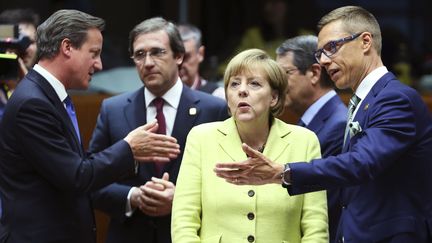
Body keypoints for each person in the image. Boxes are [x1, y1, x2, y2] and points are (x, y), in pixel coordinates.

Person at [215, 6, 432, 243]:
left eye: (332, 48)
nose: (325, 61)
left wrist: (284, 172)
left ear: (365, 42)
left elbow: (361, 163)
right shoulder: (364, 100)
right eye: (320, 54)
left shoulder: (395, 98)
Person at [0, 10, 181, 243]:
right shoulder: (33, 102)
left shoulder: (46, 95)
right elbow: (77, 176)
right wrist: (129, 148)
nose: (99, 64)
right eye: (94, 53)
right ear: (67, 47)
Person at [88, 17, 229, 243]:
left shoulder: (214, 110)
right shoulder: (112, 110)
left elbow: (229, 183)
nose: (148, 62)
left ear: (179, 56)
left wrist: (181, 199)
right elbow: (90, 179)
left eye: (157, 52)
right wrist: (133, 196)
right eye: (140, 54)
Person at [172, 49, 328, 243]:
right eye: (234, 84)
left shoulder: (304, 141)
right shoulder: (201, 138)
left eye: (254, 83)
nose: (242, 90)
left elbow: (315, 226)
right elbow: (184, 220)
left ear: (274, 98)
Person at [276, 35, 347, 243]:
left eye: (285, 74)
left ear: (314, 73)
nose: (277, 85)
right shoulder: (307, 123)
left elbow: (325, 201)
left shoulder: (337, 125)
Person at [0, 8, 39, 119]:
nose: (25, 48)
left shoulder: (43, 86)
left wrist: (27, 87)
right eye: (19, 41)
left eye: (30, 42)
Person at [177, 23, 225, 99]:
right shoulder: (159, 96)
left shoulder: (218, 96)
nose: (179, 63)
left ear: (200, 54)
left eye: (186, 57)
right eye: (175, 57)